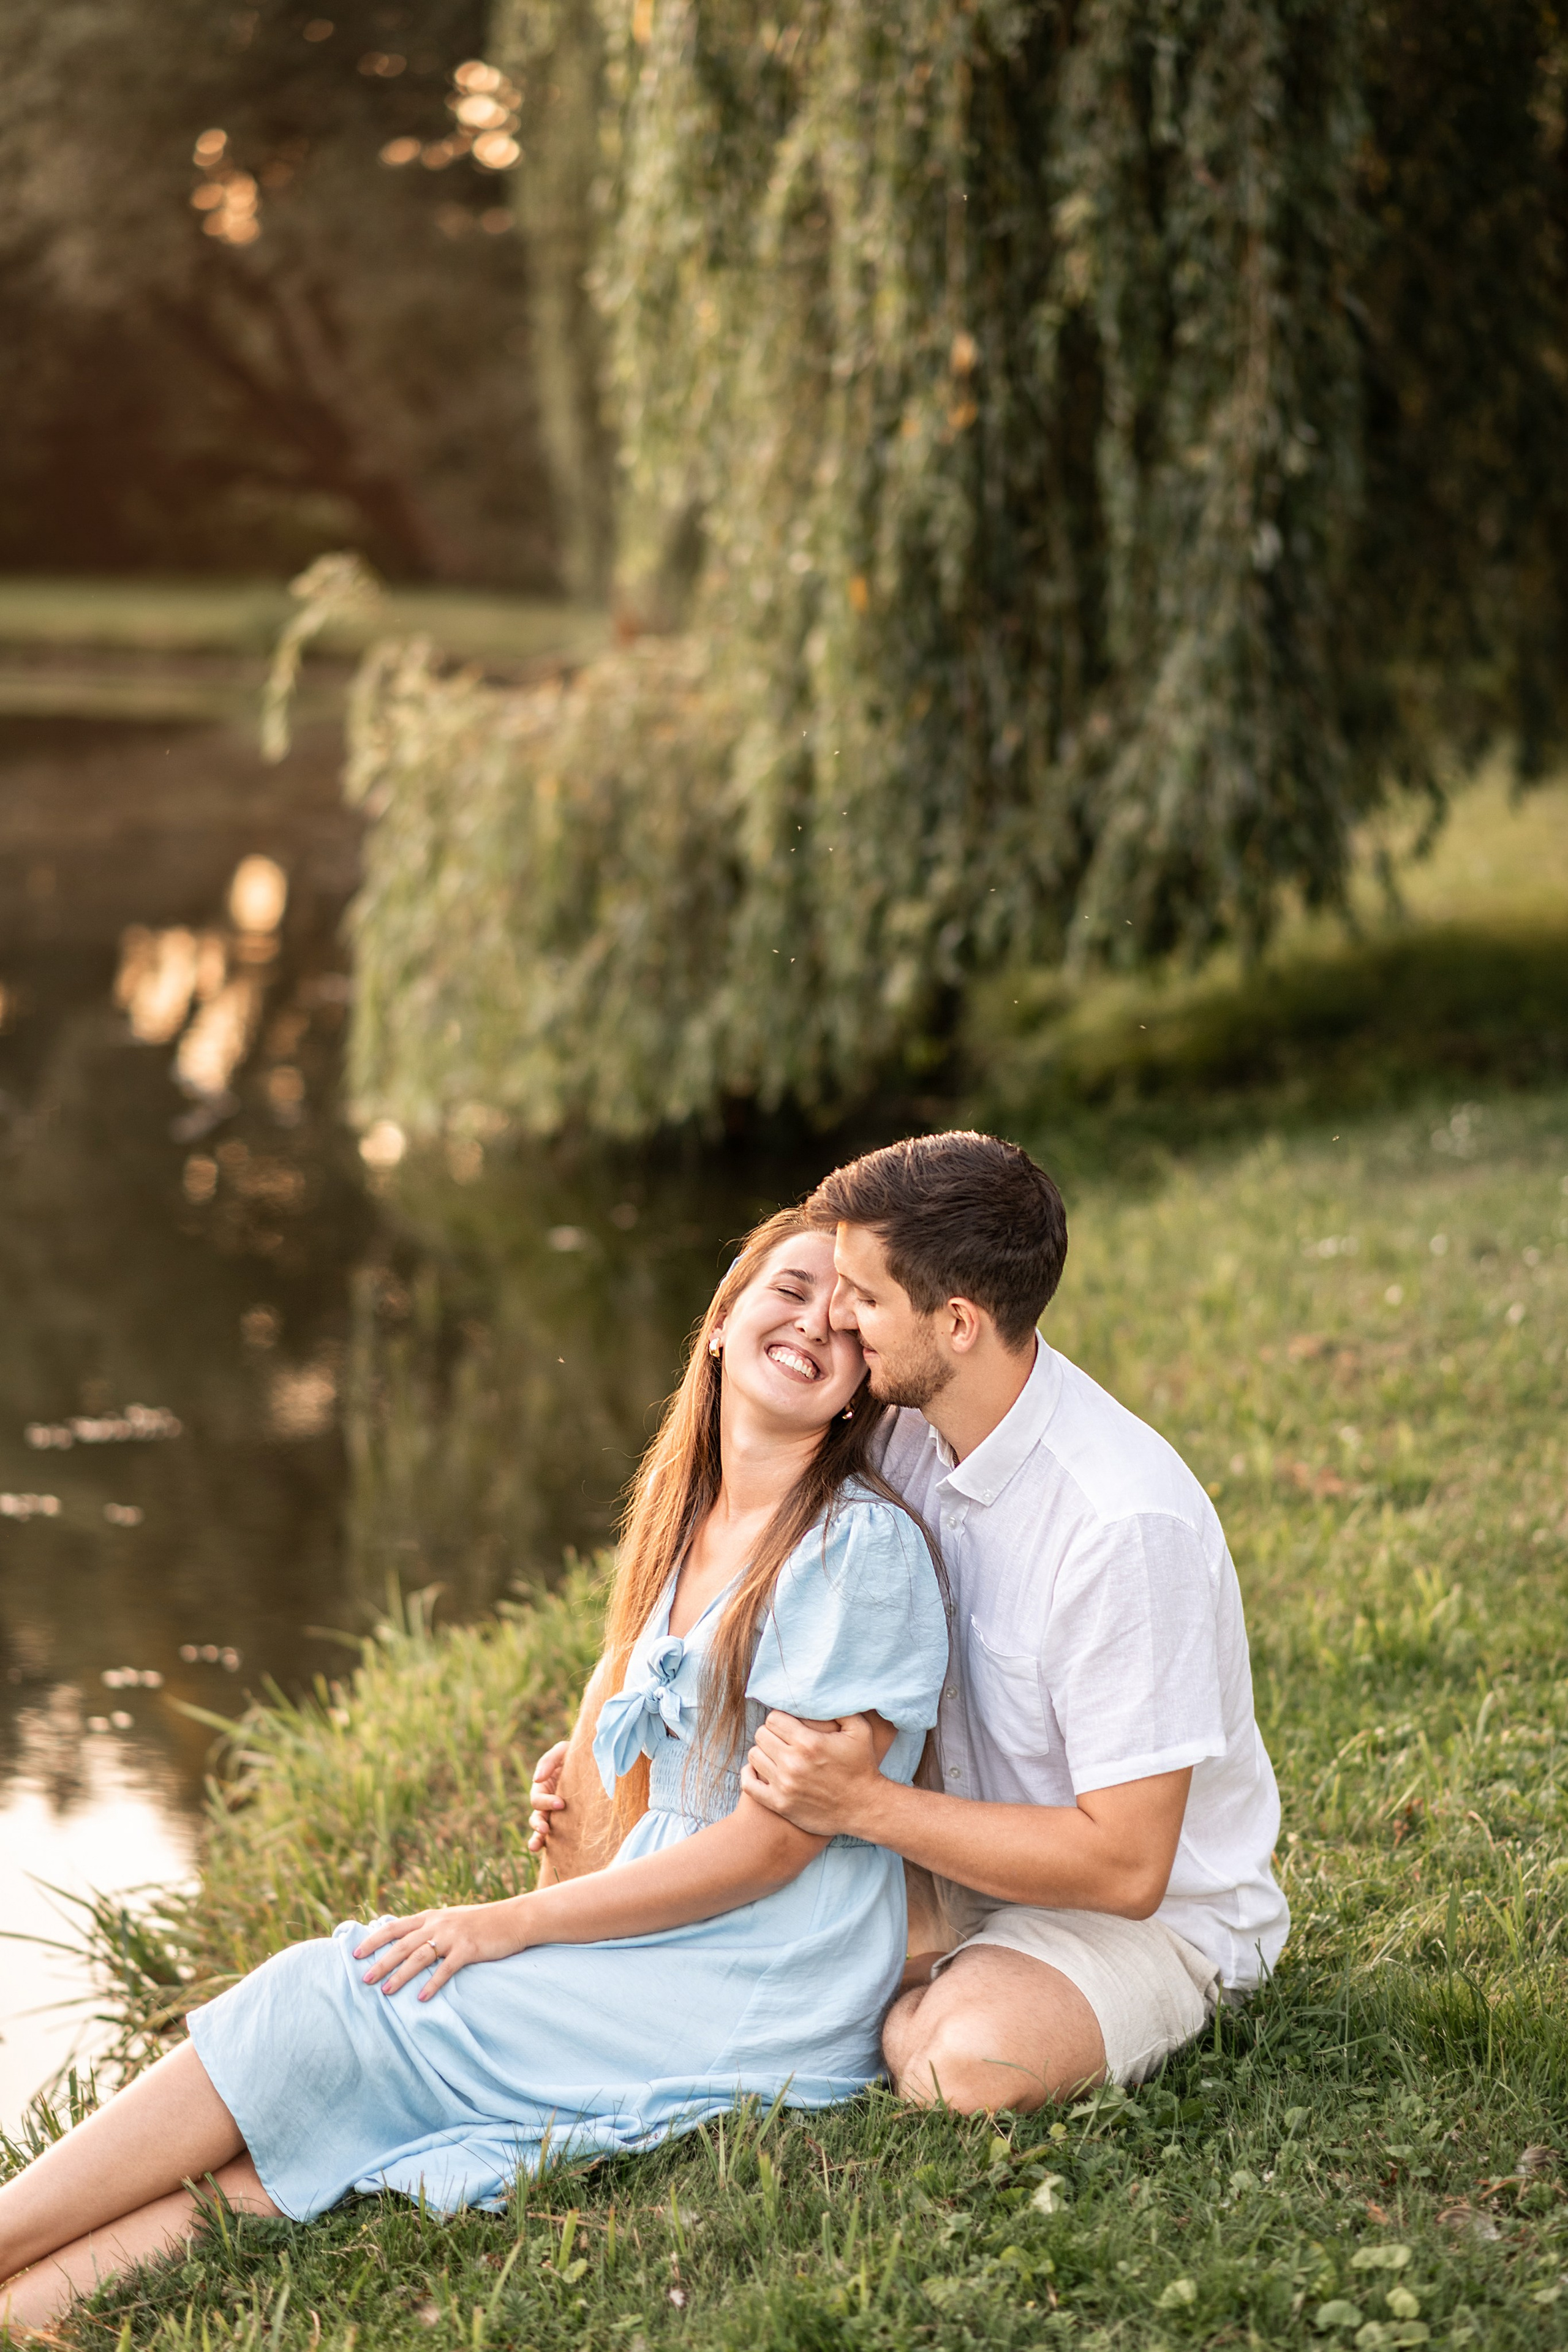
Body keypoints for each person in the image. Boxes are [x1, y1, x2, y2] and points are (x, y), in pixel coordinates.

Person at [0, 1209, 948, 2334]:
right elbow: (682, 1779)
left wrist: (509, 1925)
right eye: (790, 1290)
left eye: (847, 1321)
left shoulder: (857, 1548)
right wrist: (589, 1806)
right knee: (326, 2127)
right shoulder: (691, 1522)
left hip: (767, 1969)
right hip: (684, 1935)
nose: (815, 1325)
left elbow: (773, 1847)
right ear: (722, 1320)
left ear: (863, 1384)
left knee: (334, 1995)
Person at [532, 1131, 1289, 2113]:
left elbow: (1129, 1867)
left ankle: (913, 2003)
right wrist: (638, 1768)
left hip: (1121, 1917)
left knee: (959, 2063)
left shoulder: (1119, 1526)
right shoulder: (901, 1430)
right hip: (923, 1877)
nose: (836, 1318)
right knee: (610, 1796)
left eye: (864, 1297)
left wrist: (866, 1807)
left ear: (958, 1323)